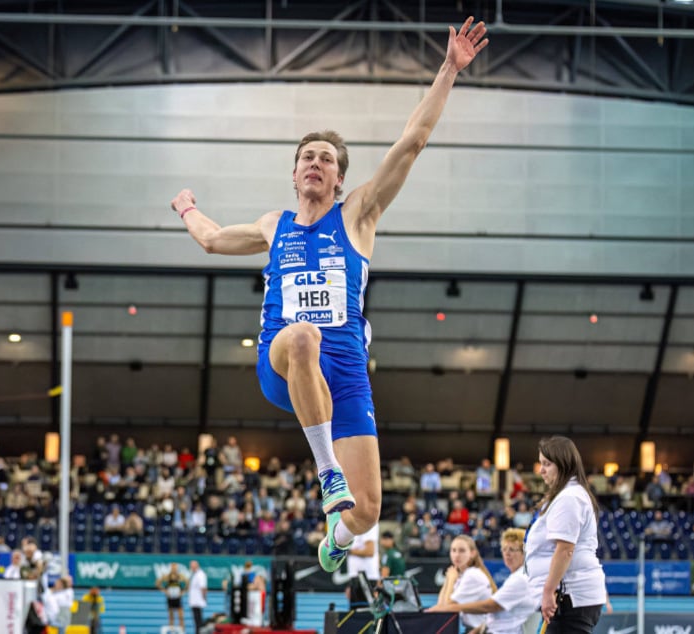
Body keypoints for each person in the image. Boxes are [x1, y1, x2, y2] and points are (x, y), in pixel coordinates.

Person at [172, 17, 489, 574]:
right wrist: (186, 208)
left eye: (327, 160)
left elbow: (412, 143)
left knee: (367, 510)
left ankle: (335, 537)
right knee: (301, 335)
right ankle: (326, 471)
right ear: (294, 174)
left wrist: (448, 70)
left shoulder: (359, 214)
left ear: (340, 180)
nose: (315, 163)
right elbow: (213, 240)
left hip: (344, 372)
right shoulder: (274, 226)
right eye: (307, 157)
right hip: (284, 360)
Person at [525, 436, 605, 633]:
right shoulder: (566, 495)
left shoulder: (569, 498)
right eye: (540, 463)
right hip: (569, 597)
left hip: (569, 597)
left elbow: (565, 550)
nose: (541, 470)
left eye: (547, 464)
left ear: (563, 464)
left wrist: (548, 591)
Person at [427, 529, 539, 634]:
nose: (507, 554)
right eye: (504, 549)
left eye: (512, 549)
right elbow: (494, 617)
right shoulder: (518, 576)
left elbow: (489, 606)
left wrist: (450, 585)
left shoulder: (519, 579)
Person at [430, 534, 496, 632]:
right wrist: (448, 580)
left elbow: (447, 606)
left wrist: (451, 579)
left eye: (462, 551)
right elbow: (441, 605)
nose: (456, 555)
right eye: (453, 550)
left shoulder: (473, 575)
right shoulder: (462, 574)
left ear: (472, 553)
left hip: (484, 630)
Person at [158, 562, 187, 630]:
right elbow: (158, 583)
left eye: (175, 568)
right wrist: (164, 591)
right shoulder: (167, 576)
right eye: (173, 567)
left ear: (177, 568)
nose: (174, 569)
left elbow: (187, 583)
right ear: (171, 568)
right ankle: (172, 630)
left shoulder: (180, 576)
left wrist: (183, 592)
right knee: (171, 617)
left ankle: (182, 631)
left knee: (181, 617)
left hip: (178, 598)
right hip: (170, 598)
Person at [187, 560, 208, 634]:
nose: (191, 567)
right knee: (196, 621)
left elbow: (203, 588)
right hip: (194, 601)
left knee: (198, 621)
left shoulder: (200, 574)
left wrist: (204, 597)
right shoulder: (195, 574)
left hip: (198, 601)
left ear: (196, 566)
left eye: (192, 566)